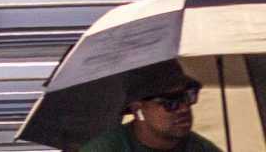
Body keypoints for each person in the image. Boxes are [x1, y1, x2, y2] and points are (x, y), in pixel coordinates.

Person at [81, 63, 221, 152]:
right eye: (170, 101)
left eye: (188, 95)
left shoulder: (202, 149)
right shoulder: (104, 149)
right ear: (138, 110)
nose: (184, 108)